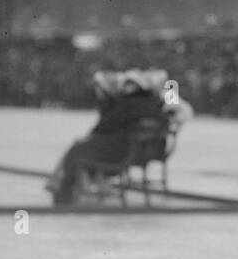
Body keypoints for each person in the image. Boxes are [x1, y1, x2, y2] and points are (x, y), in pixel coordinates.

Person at [45, 70, 172, 205]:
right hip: (143, 153)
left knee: (77, 151)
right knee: (81, 148)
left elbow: (103, 129)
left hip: (121, 154)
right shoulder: (154, 106)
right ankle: (68, 185)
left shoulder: (127, 105)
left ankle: (63, 193)